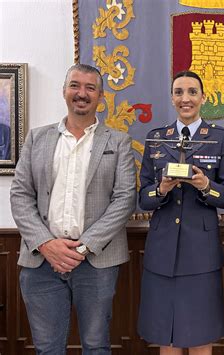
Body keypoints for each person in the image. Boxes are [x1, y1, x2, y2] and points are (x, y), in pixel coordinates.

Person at [10, 63, 137, 354]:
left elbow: (125, 200)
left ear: (101, 97)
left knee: (96, 347)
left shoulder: (118, 142)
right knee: (48, 349)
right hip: (41, 263)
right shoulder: (36, 138)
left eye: (90, 88)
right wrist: (46, 244)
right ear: (64, 91)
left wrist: (82, 248)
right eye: (75, 86)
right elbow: (20, 195)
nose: (82, 93)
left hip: (95, 262)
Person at [137, 71, 224, 355]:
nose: (185, 98)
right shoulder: (156, 139)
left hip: (201, 252)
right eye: (179, 92)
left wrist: (206, 186)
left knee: (200, 332)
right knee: (166, 334)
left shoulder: (219, 138)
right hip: (162, 249)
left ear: (203, 98)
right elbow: (143, 198)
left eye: (192, 92)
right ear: (172, 98)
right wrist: (162, 190)